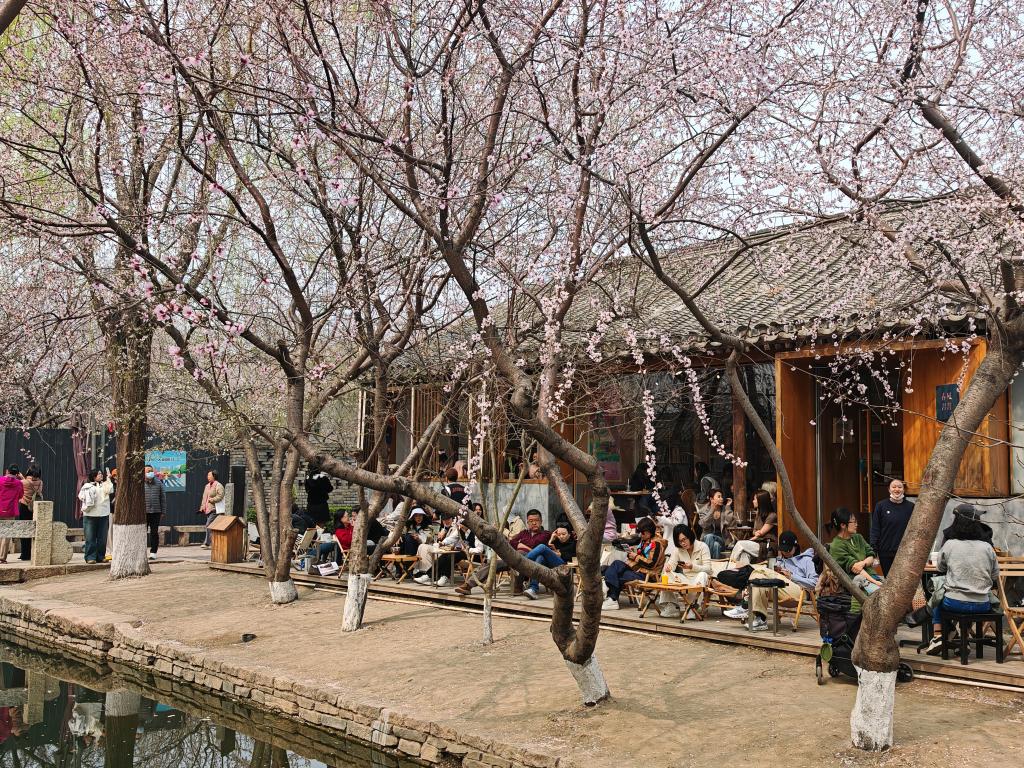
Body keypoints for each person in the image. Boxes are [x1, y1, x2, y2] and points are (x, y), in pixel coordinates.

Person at [925, 503, 1000, 655]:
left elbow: (940, 568)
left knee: (938, 596)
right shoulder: (987, 547)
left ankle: (938, 636)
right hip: (982, 605)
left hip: (954, 603)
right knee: (970, 596)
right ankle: (963, 639)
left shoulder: (950, 544)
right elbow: (994, 576)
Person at [724, 530, 819, 631]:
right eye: (783, 550)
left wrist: (792, 576)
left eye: (788, 549)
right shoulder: (779, 561)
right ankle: (760, 619)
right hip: (780, 590)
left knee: (763, 571)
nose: (785, 552)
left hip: (800, 592)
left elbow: (815, 583)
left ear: (796, 546)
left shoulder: (806, 560)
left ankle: (746, 604)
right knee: (761, 577)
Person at [456, 509, 549, 595]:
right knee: (493, 564)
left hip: (532, 561)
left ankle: (518, 586)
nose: (534, 523)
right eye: (531, 521)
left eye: (536, 520)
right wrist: (519, 545)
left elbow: (539, 546)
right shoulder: (524, 533)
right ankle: (468, 585)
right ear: (527, 522)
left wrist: (521, 546)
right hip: (513, 559)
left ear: (541, 521)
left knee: (520, 556)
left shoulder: (546, 534)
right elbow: (512, 542)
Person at [601, 517, 665, 610]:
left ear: (648, 532)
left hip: (647, 575)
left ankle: (612, 597)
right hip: (637, 569)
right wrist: (631, 554)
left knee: (614, 574)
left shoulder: (657, 544)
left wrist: (635, 556)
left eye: (642, 533)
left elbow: (651, 564)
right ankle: (610, 594)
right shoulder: (645, 540)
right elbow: (641, 557)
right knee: (614, 564)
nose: (640, 535)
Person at [658, 524, 712, 618]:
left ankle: (692, 606)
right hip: (686, 580)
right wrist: (668, 567)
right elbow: (671, 565)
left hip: (699, 579)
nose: (683, 543)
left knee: (703, 574)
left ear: (690, 536)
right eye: (680, 541)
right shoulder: (678, 549)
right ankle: (673, 606)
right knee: (666, 574)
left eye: (684, 539)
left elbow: (708, 569)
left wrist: (692, 566)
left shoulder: (702, 546)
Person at [828, 507, 883, 594]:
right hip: (857, 582)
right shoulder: (836, 545)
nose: (856, 524)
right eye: (853, 522)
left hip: (873, 576)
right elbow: (857, 569)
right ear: (843, 525)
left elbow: (871, 556)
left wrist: (863, 563)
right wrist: (876, 583)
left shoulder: (858, 537)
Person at [870, 478, 914, 575]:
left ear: (904, 489)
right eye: (894, 487)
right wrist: (873, 550)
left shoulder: (911, 507)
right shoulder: (880, 506)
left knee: (903, 578)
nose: (897, 489)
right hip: (885, 551)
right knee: (889, 578)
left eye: (899, 487)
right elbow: (875, 529)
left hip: (904, 552)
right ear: (889, 489)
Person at [523, 525, 577, 599]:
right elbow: (546, 551)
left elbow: (574, 556)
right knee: (540, 557)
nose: (561, 536)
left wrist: (561, 554)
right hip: (552, 565)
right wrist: (551, 540)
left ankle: (522, 562)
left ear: (569, 534)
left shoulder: (574, 543)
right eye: (559, 534)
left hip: (565, 566)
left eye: (564, 534)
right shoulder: (556, 542)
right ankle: (533, 589)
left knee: (542, 546)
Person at [729, 490, 778, 565]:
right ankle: (744, 571)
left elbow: (761, 533)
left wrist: (755, 535)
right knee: (744, 554)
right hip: (757, 543)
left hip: (766, 546)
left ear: (761, 501)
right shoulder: (758, 515)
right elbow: (754, 532)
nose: (753, 501)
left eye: (755, 499)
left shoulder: (772, 516)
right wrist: (756, 533)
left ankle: (730, 565)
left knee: (740, 544)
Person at [79, 469, 112, 564]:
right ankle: (90, 557)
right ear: (93, 476)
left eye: (101, 473)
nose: (101, 475)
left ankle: (101, 556)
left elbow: (110, 490)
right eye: (98, 474)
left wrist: (108, 479)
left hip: (103, 514)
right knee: (90, 537)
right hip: (90, 515)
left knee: (102, 538)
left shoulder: (104, 485)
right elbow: (81, 496)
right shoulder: (87, 486)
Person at [698, 489, 735, 559]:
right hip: (706, 540)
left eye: (722, 496)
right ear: (711, 499)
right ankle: (716, 564)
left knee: (711, 537)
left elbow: (729, 522)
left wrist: (728, 506)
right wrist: (712, 510)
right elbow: (703, 525)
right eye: (719, 497)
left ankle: (706, 560)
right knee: (716, 545)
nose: (721, 499)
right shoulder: (704, 510)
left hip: (722, 539)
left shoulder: (724, 509)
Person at [16, 464, 42, 562]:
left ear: (29, 472)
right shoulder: (40, 482)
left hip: (24, 506)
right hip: (34, 507)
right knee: (33, 530)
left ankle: (24, 554)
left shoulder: (23, 482)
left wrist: (21, 477)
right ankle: (31, 553)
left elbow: (23, 485)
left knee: (24, 530)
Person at [0, 465, 23, 564]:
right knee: (7, 534)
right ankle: (2, 558)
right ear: (17, 474)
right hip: (10, 511)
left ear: (7, 471)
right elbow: (21, 495)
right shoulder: (19, 483)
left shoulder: (0, 480)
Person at [655, 490, 688, 555]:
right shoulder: (674, 510)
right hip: (672, 536)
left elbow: (677, 522)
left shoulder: (678, 510)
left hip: (677, 537)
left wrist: (662, 519)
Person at [144, 464, 166, 560]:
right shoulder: (140, 483)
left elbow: (163, 498)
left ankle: (153, 552)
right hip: (144, 512)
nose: (150, 472)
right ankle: (142, 551)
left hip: (156, 511)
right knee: (142, 533)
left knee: (154, 532)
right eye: (148, 471)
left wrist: (163, 511)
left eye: (151, 470)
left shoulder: (158, 482)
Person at [199, 470, 226, 548]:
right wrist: (202, 507)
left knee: (208, 525)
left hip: (215, 509)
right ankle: (213, 543)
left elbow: (221, 496)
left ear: (214, 476)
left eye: (209, 475)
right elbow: (204, 498)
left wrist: (212, 500)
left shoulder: (218, 485)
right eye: (207, 475)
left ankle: (207, 543)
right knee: (212, 526)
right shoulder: (207, 486)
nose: (208, 477)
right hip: (208, 509)